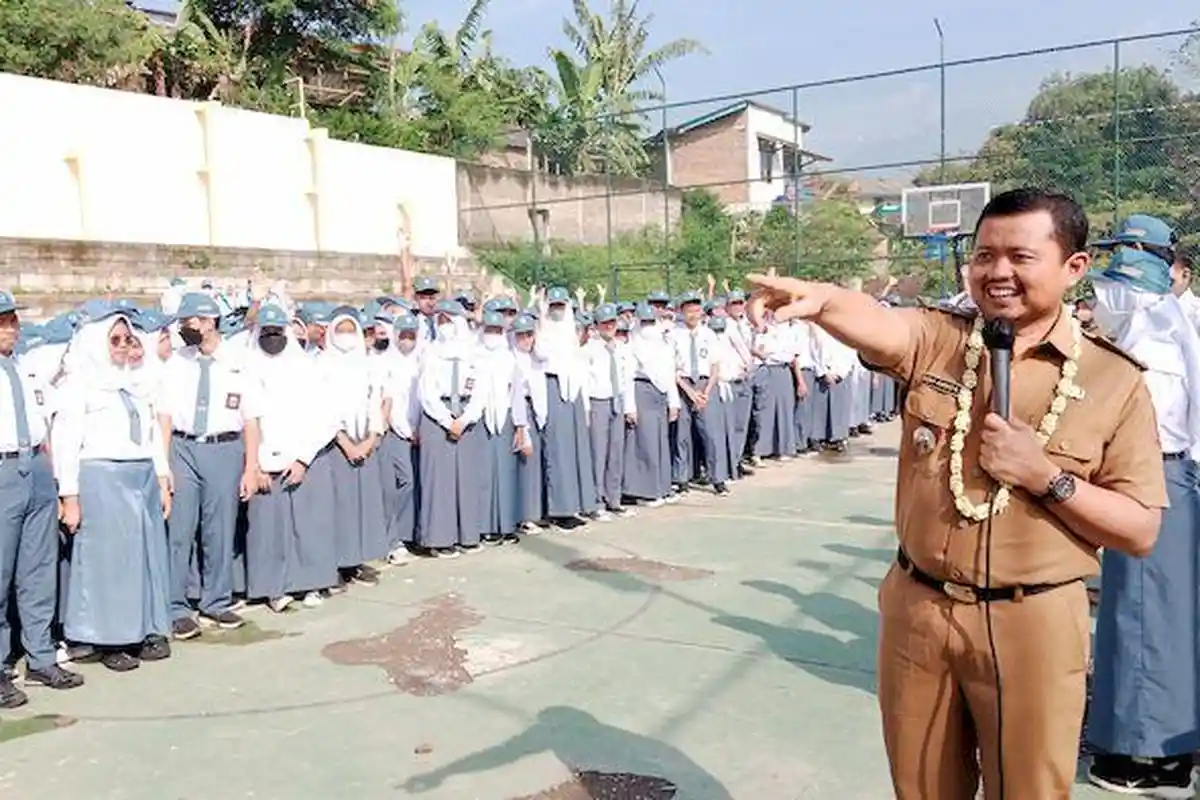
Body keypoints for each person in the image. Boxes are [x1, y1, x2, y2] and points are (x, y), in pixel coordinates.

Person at [746, 188, 1167, 799]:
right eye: (984, 255)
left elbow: (1140, 529)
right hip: (921, 610)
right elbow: (882, 326)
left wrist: (1044, 475)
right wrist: (824, 301)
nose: (997, 272)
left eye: (1020, 256)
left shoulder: (1114, 380)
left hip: (1035, 621)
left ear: (1073, 267)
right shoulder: (942, 339)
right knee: (920, 788)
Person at [1085, 215, 1200, 798]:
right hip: (1176, 479)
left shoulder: (1143, 325)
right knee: (1168, 616)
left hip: (1148, 481)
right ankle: (1171, 741)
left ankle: (1146, 754)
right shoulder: (1174, 319)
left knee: (1140, 617)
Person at [53, 307, 173, 672]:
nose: (123, 347)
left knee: (143, 558)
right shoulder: (80, 384)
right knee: (110, 564)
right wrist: (69, 495)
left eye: (127, 339)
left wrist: (163, 477)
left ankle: (145, 628)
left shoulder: (133, 383)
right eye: (115, 340)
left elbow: (151, 434)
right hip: (102, 477)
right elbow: (66, 441)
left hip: (141, 476)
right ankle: (110, 638)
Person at [158, 292, 264, 640]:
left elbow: (251, 419)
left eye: (188, 323)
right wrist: (164, 463)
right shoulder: (178, 361)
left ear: (208, 322)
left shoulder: (238, 360)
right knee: (181, 528)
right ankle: (176, 604)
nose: (184, 330)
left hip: (224, 447)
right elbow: (166, 416)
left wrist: (251, 467)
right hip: (185, 448)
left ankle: (216, 600)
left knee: (219, 528)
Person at [0, 290, 84, 705]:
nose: (10, 328)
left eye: (12, 320)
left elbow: (46, 422)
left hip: (35, 466)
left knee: (37, 568)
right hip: (2, 470)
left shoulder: (27, 368)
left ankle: (40, 655)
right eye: (2, 321)